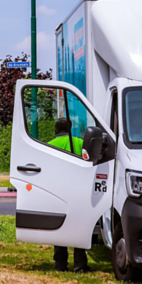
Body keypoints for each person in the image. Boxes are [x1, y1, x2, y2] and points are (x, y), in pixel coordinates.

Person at [49, 117, 90, 273]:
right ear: (70, 128)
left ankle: (60, 264)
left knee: (60, 227)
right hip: (77, 190)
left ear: (56, 130)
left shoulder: (49, 145)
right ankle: (80, 264)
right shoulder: (78, 143)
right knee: (78, 227)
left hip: (58, 191)